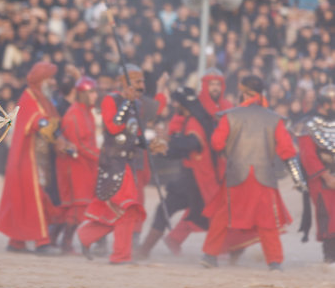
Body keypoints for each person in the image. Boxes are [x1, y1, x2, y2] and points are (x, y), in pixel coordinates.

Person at [200, 75, 307, 270]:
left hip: (236, 173)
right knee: (268, 219)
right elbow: (288, 152)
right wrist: (299, 179)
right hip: (264, 175)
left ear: (243, 91)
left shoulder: (229, 115)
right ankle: (274, 262)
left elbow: (217, 143)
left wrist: (229, 151)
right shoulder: (275, 119)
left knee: (224, 215)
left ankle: (209, 255)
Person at [0, 61, 66, 254]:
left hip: (38, 157)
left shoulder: (44, 98)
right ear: (41, 79)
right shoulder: (29, 97)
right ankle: (42, 242)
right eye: (49, 78)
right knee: (34, 198)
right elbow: (38, 121)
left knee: (27, 198)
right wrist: (57, 136)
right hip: (27, 158)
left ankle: (17, 242)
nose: (52, 81)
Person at [136, 87, 219, 259]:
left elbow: (191, 143)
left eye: (177, 102)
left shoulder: (195, 122)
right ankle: (148, 249)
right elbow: (181, 150)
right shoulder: (193, 119)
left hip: (196, 179)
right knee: (177, 211)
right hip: (192, 178)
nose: (175, 105)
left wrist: (168, 142)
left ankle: (144, 250)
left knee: (167, 209)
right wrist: (163, 147)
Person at [77, 66, 147, 264]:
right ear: (125, 83)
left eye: (142, 81)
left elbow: (136, 134)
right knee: (128, 207)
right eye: (137, 81)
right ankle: (120, 255)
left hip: (128, 161)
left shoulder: (138, 104)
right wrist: (126, 102)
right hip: (114, 162)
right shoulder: (111, 100)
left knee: (124, 210)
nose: (142, 85)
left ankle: (88, 236)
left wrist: (149, 144)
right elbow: (113, 127)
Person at [56, 76, 99, 253]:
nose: (95, 95)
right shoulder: (74, 114)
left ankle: (59, 241)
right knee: (77, 207)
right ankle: (64, 243)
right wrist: (100, 157)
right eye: (91, 92)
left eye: (95, 92)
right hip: (74, 165)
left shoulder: (87, 112)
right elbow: (79, 145)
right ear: (82, 94)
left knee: (78, 207)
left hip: (86, 164)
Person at [297, 85, 335, 263]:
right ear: (325, 103)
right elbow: (308, 156)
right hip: (321, 179)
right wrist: (326, 176)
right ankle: (330, 258)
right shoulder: (308, 124)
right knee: (327, 215)